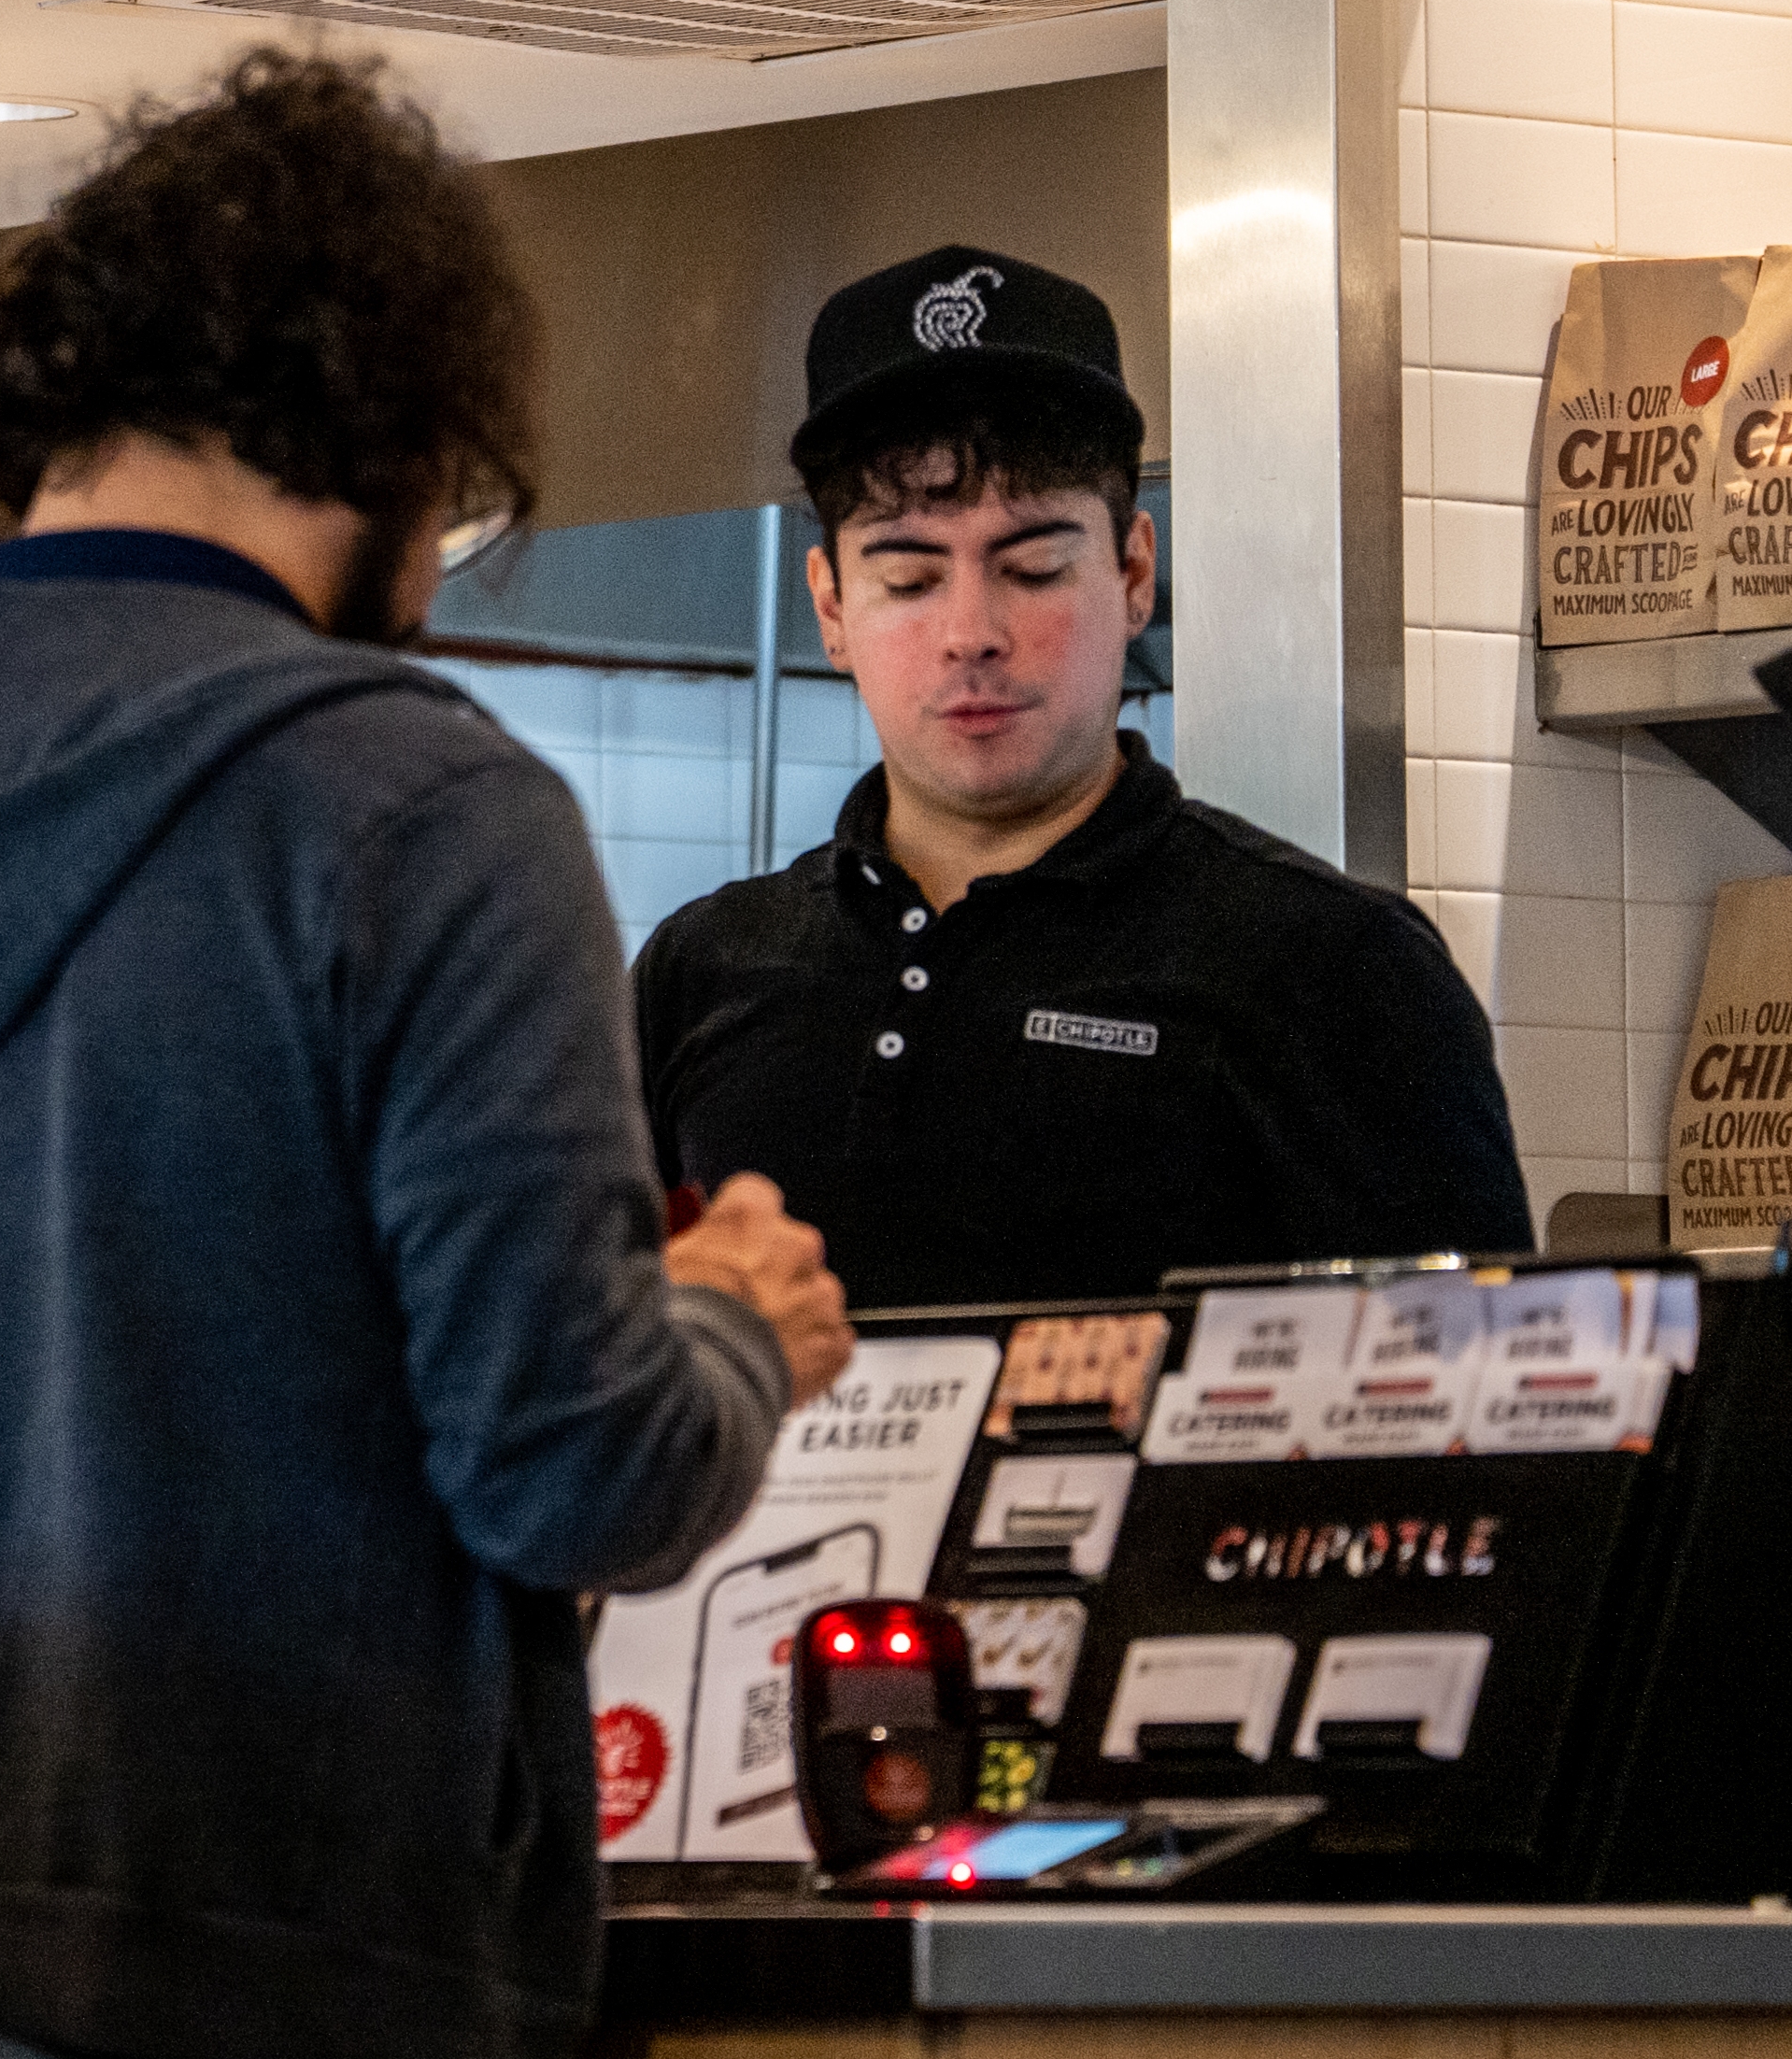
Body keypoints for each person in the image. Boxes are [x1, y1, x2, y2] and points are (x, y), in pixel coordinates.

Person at [0, 50, 855, 2059]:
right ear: (388, 424)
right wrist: (736, 1322)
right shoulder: (419, 807)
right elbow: (568, 1468)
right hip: (283, 1998)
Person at [635, 245, 1529, 1313]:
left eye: (1033, 568)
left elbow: (1481, 1411)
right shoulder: (700, 970)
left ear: (1134, 570)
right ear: (830, 605)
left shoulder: (1335, 966)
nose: (971, 632)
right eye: (909, 577)